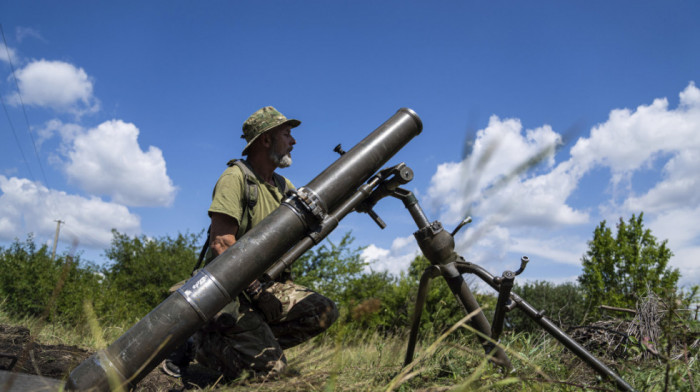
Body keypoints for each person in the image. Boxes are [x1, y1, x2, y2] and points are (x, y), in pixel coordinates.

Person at [162, 106, 338, 381]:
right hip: (232, 291)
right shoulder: (235, 178)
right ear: (266, 139)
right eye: (287, 134)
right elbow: (221, 243)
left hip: (266, 286)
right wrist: (257, 292)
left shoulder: (284, 186)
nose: (293, 141)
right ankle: (197, 342)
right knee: (272, 373)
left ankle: (238, 342)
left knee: (322, 311)